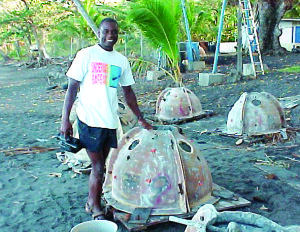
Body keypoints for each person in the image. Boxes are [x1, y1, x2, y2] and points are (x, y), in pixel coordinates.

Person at [60, 17, 152, 220]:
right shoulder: (86, 55)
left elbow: (128, 92)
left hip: (110, 121)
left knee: (104, 165)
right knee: (98, 166)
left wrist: (140, 118)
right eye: (106, 31)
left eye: (114, 32)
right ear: (99, 33)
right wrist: (65, 120)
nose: (110, 35)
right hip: (88, 120)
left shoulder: (121, 61)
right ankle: (94, 206)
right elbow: (72, 89)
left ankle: (92, 201)